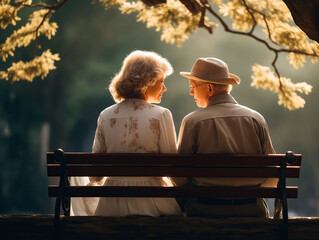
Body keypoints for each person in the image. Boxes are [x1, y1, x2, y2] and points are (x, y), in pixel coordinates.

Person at [71, 50, 182, 217]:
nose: (164, 88)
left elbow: (96, 174)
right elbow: (171, 166)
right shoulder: (161, 115)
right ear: (147, 81)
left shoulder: (105, 115)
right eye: (161, 81)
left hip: (112, 200)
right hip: (151, 199)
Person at [175, 57, 276, 217]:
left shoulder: (192, 122)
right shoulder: (256, 119)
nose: (191, 92)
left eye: (193, 86)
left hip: (203, 211)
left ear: (209, 88)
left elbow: (179, 177)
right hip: (250, 210)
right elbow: (272, 174)